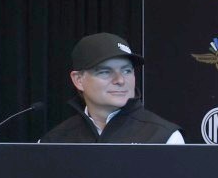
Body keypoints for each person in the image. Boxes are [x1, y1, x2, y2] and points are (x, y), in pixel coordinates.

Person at [42, 32, 182, 143]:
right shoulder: (54, 141)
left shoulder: (164, 137)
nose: (120, 80)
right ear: (78, 80)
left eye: (126, 71)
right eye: (105, 72)